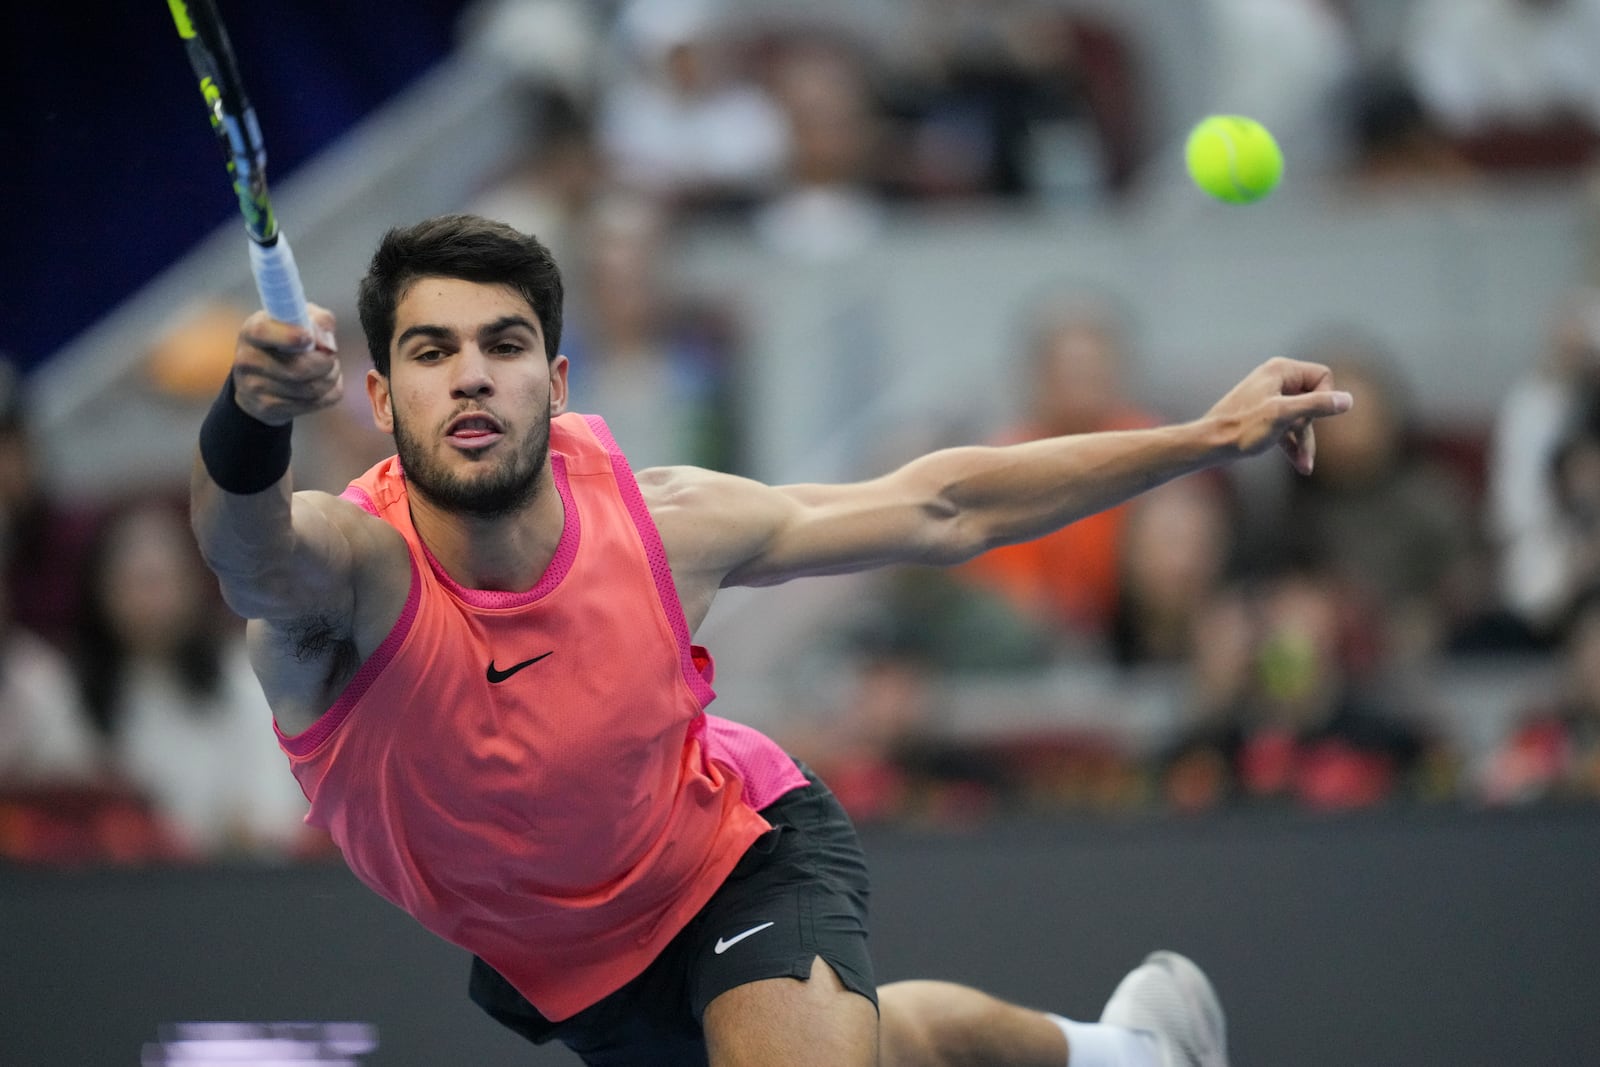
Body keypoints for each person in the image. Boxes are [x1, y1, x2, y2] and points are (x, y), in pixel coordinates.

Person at [190, 213, 1353, 1066]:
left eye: (502, 344)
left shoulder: (662, 521)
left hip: (732, 851)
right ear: (382, 400)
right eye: (431, 351)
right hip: (577, 966)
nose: (471, 375)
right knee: (890, 1043)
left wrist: (1205, 436)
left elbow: (941, 506)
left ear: (553, 379)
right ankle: (1131, 1054)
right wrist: (248, 415)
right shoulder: (347, 584)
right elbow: (248, 553)